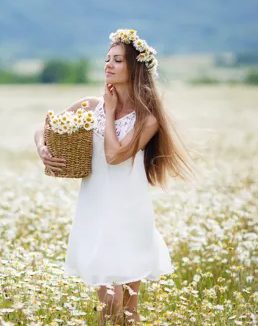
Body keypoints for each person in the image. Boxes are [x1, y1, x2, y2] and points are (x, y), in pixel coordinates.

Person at [33, 29, 194, 325]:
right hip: (96, 210)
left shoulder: (148, 118)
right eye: (107, 59)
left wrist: (108, 113)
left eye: (117, 60)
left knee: (130, 311)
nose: (108, 64)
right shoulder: (89, 106)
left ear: (134, 67)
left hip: (129, 213)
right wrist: (43, 148)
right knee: (109, 304)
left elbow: (114, 155)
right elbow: (44, 127)